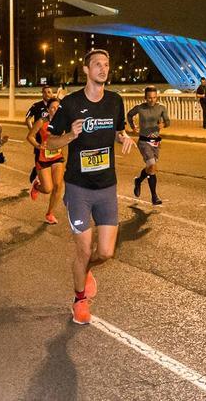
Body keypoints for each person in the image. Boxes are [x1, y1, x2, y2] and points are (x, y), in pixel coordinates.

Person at [43, 49, 133, 325]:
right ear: (86, 70)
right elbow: (50, 143)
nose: (103, 69)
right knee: (83, 249)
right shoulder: (70, 104)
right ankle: (80, 300)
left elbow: (118, 131)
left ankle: (87, 270)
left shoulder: (116, 101)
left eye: (106, 64)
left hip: (106, 187)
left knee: (105, 252)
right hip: (79, 188)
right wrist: (71, 134)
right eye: (97, 64)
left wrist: (124, 137)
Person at [127, 86, 170, 205]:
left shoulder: (161, 108)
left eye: (154, 97)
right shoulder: (140, 108)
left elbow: (168, 121)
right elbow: (129, 115)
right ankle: (154, 196)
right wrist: (133, 126)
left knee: (151, 168)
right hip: (144, 141)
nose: (152, 100)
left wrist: (163, 125)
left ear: (157, 97)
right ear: (145, 98)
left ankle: (138, 181)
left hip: (155, 141)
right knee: (152, 166)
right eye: (149, 98)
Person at [29, 98, 65, 224]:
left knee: (58, 185)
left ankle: (50, 213)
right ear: (48, 110)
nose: (55, 110)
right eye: (52, 108)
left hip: (57, 156)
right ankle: (37, 186)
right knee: (48, 188)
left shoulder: (63, 122)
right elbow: (30, 136)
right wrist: (38, 145)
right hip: (43, 158)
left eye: (57, 108)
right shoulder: (41, 121)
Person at [25, 85, 57, 199]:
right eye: (46, 92)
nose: (49, 94)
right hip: (40, 138)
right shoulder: (36, 106)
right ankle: (37, 173)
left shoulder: (56, 105)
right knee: (40, 156)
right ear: (42, 94)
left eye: (50, 92)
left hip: (53, 138)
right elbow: (27, 118)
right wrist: (32, 131)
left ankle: (41, 172)